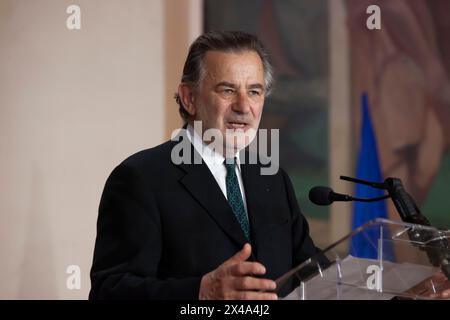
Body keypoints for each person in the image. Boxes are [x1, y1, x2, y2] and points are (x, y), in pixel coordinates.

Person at [89, 31, 322, 300]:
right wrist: (201, 292)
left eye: (254, 91)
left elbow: (312, 273)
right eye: (227, 90)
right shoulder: (141, 178)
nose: (243, 106)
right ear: (189, 98)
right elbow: (109, 292)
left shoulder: (271, 177)